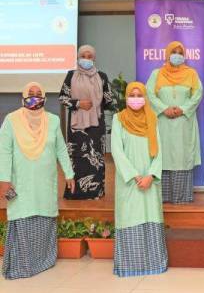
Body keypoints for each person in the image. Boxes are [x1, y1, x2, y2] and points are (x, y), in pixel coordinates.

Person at [0, 82, 75, 280]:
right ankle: (23, 264)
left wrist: (69, 173)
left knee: (43, 217)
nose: (34, 97)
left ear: (45, 98)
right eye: (30, 93)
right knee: (23, 216)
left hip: (45, 182)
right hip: (21, 181)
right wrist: (4, 180)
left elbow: (61, 148)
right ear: (23, 96)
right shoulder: (11, 120)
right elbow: (4, 152)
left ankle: (44, 261)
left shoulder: (53, 120)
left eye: (38, 94)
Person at [111, 82, 167, 277]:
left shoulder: (152, 119)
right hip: (130, 182)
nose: (136, 99)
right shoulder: (118, 119)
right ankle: (130, 266)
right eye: (132, 95)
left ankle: (154, 264)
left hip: (149, 181)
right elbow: (117, 151)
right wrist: (135, 176)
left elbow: (158, 151)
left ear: (145, 97)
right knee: (130, 216)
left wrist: (151, 176)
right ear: (126, 98)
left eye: (139, 95)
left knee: (150, 215)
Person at [146, 41, 202, 204]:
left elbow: (198, 94)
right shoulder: (157, 74)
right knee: (164, 155)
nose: (177, 55)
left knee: (181, 157)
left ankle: (181, 197)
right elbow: (149, 94)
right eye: (174, 52)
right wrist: (164, 109)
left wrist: (183, 109)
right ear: (168, 54)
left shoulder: (191, 74)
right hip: (163, 122)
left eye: (180, 53)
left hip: (184, 123)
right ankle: (162, 197)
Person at [59, 45, 114, 199]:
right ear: (78, 57)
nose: (86, 59)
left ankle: (96, 192)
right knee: (77, 158)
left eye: (90, 57)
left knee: (96, 158)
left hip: (96, 126)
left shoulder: (102, 76)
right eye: (83, 56)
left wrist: (98, 105)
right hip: (77, 127)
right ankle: (75, 192)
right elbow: (62, 98)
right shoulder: (71, 75)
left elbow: (109, 100)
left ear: (94, 58)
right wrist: (78, 103)